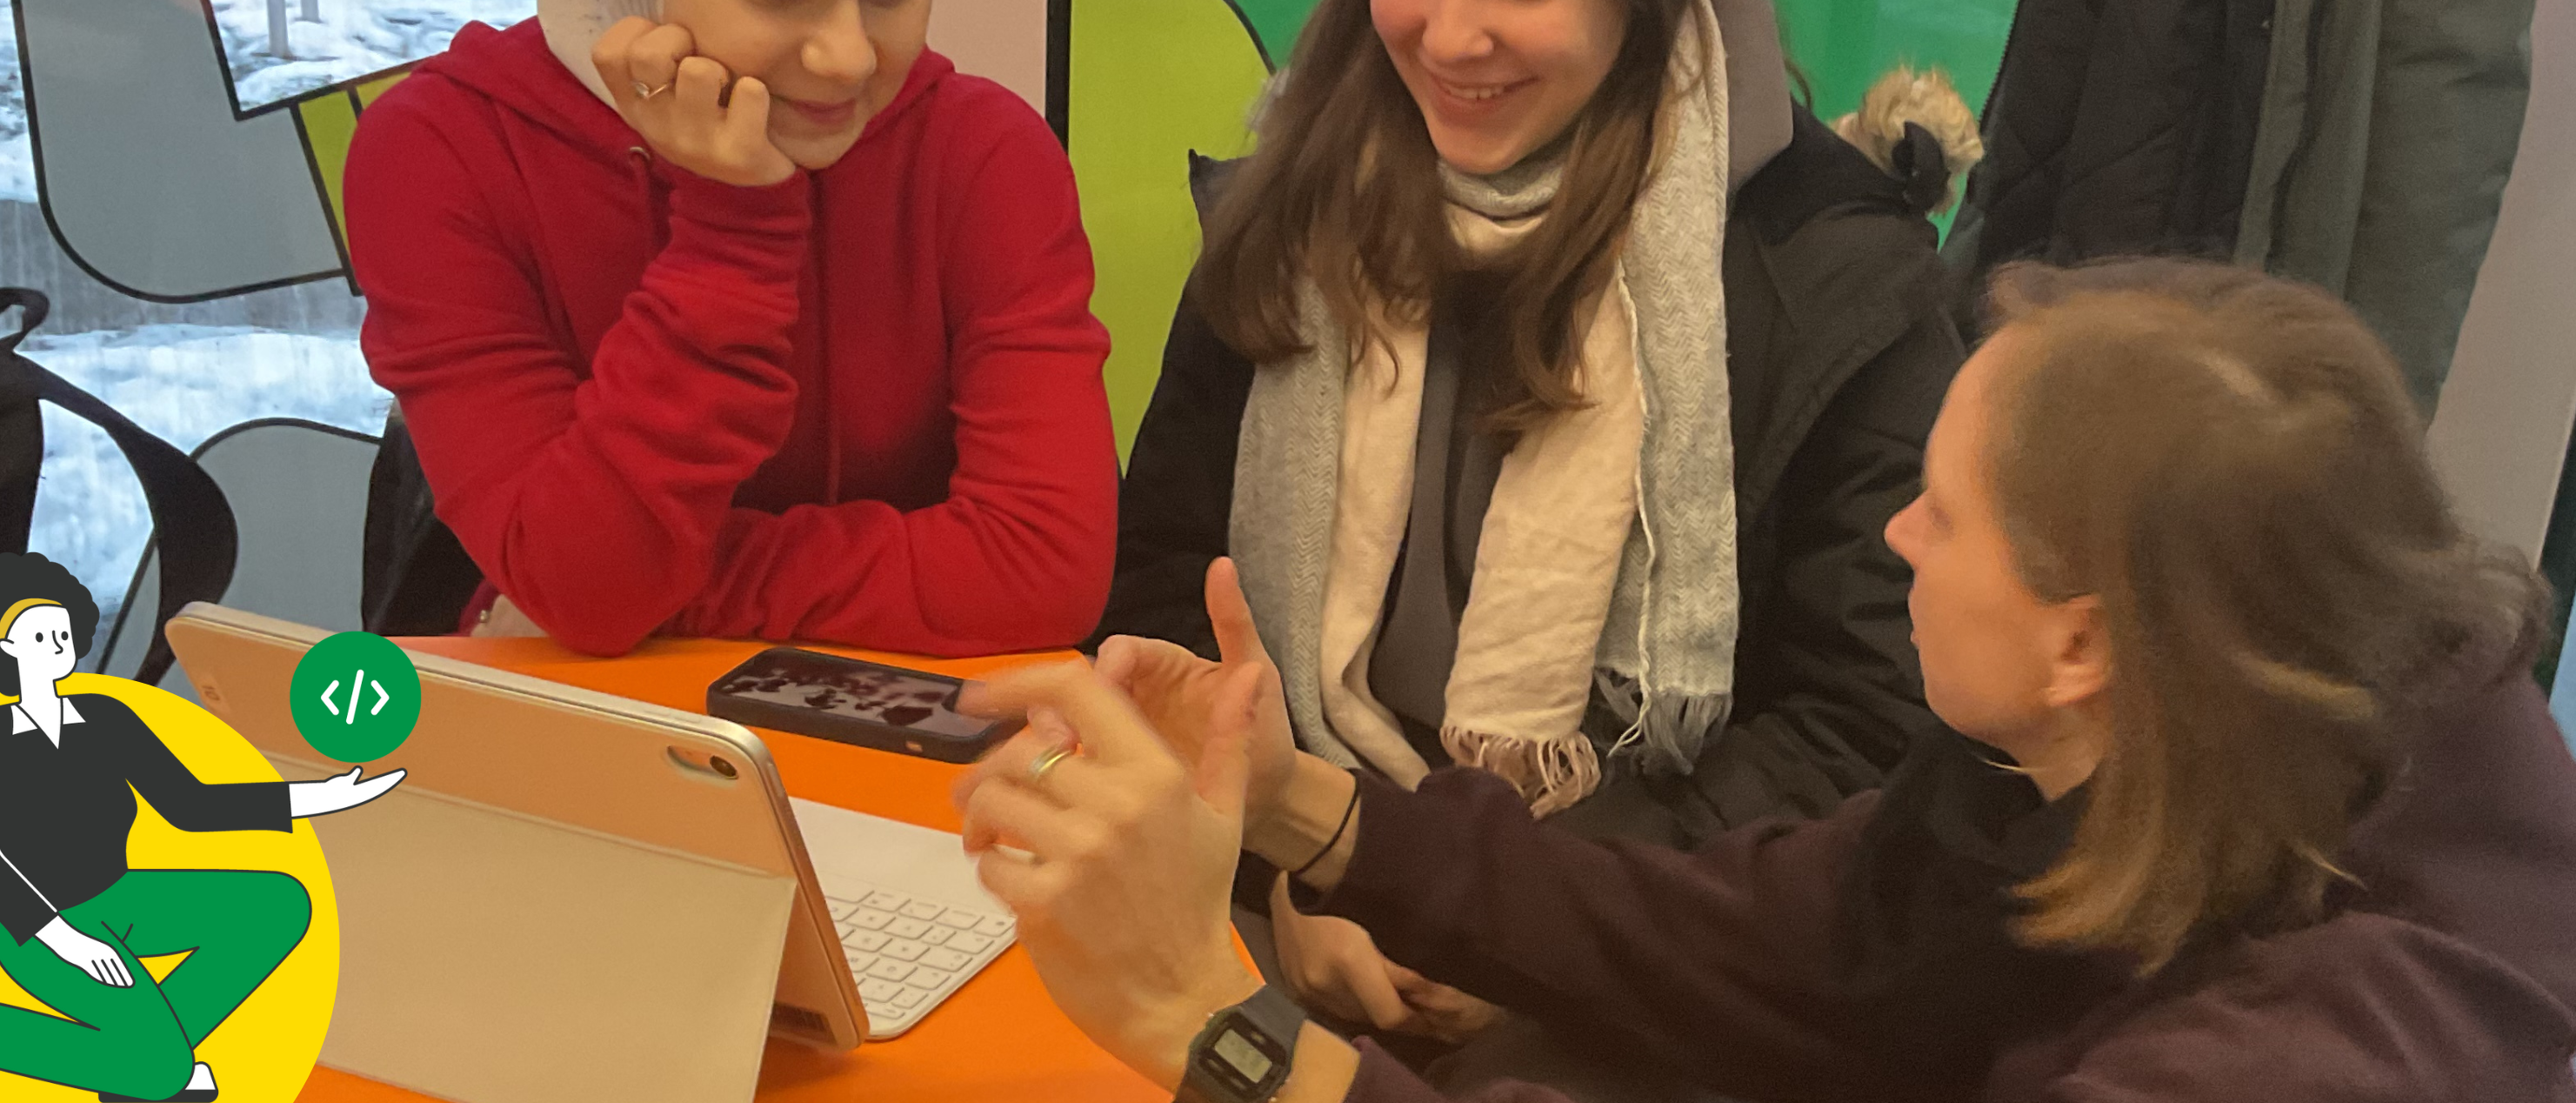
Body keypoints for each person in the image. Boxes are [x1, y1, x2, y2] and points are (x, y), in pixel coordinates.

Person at [963, 260, 2576, 1103]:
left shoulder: (2344, 1044)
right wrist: (1305, 804)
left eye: (1942, 513)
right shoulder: (2167, 737)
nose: (1897, 534)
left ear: (2083, 640)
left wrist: (1208, 1020)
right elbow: (1757, 935)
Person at [1093, 0, 1969, 1054]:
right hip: (1277, 902)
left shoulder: (1834, 276)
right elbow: (1161, 599)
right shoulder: (1288, 210)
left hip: (1650, 960)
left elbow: (1863, 734)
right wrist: (1294, 865)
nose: (1451, 34)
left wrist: (1509, 917)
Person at [344, 0, 1117, 658]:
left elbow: (1045, 571)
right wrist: (734, 228)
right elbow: (584, 581)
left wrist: (658, 586)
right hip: (594, 735)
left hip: (913, 739)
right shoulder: (444, 154)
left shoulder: (984, 157)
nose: (847, 56)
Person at [0, 553, 401, 1103]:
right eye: (39, 635)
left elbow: (191, 805)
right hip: (36, 920)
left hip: (122, 897)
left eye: (62, 633)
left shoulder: (106, 716)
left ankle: (143, 1062)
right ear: (7, 647)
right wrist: (65, 939)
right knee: (161, 1073)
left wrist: (319, 797)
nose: (55, 644)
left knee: (278, 906)